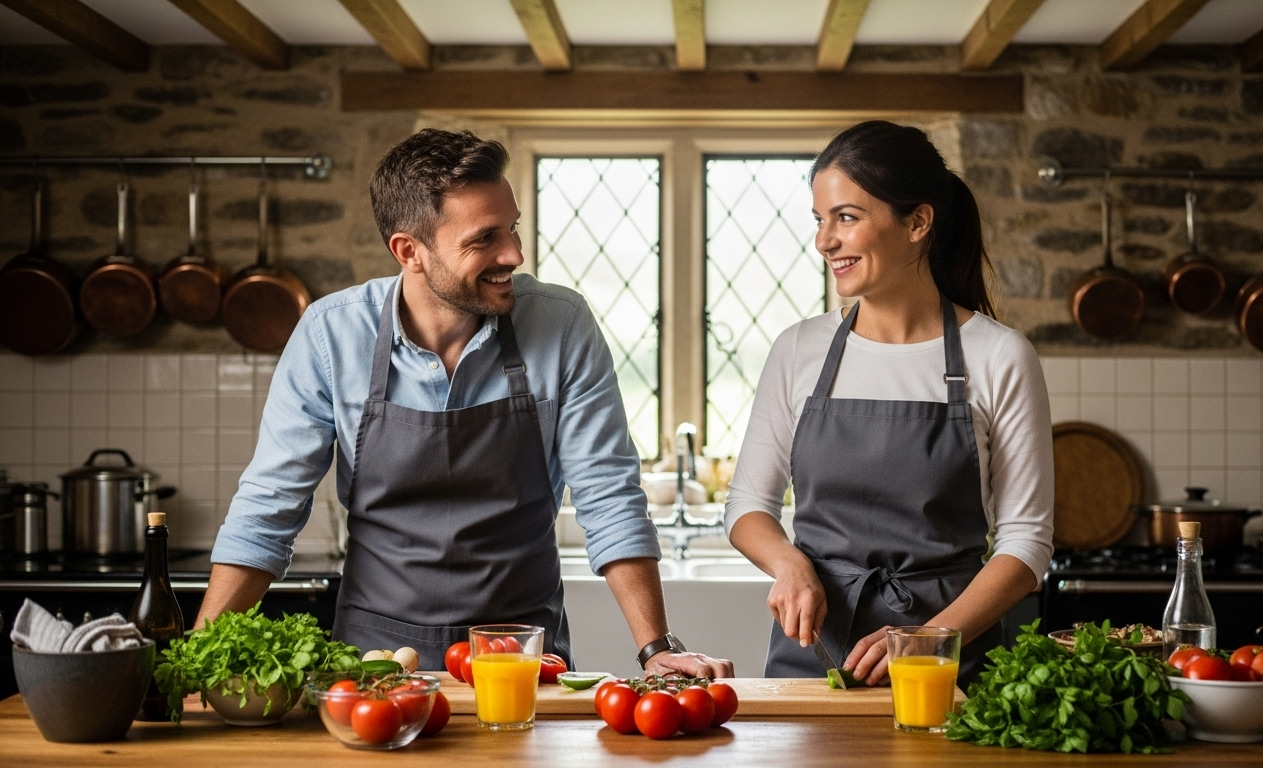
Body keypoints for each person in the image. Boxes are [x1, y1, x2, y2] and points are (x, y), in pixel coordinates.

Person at [198, 129, 732, 679]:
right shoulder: (331, 335)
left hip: (522, 657)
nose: (515, 254)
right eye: (485, 239)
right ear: (410, 252)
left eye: (514, 228)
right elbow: (269, 507)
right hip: (374, 662)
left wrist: (656, 647)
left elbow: (608, 495)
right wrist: (200, 658)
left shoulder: (560, 324)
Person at [725, 121, 1053, 689]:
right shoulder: (799, 349)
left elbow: (1026, 544)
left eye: (846, 218)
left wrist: (931, 639)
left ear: (918, 223)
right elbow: (748, 507)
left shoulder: (1000, 355)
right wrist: (789, 563)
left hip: (948, 662)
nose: (825, 240)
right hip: (812, 655)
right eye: (820, 220)